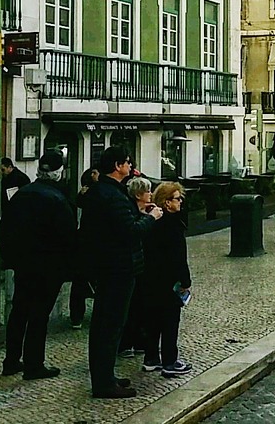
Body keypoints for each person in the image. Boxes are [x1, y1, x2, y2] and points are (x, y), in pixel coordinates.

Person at [83, 148, 162, 399]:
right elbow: (130, 233)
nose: (130, 166)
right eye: (128, 163)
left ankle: (106, 376)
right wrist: (151, 218)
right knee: (110, 326)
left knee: (106, 325)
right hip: (118, 268)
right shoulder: (113, 195)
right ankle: (104, 383)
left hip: (105, 266)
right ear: (118, 166)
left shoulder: (101, 191)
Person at [0, 149, 78, 380]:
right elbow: (68, 237)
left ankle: (11, 360)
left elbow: (5, 229)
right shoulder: (57, 200)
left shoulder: (22, 195)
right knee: (39, 315)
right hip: (48, 267)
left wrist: (11, 259)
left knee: (19, 311)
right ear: (59, 173)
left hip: (24, 265)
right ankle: (34, 364)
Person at [141, 181, 193, 378]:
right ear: (167, 202)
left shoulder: (151, 222)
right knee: (170, 321)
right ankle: (170, 361)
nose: (181, 202)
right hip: (168, 280)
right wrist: (185, 280)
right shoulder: (173, 225)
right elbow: (179, 257)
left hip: (150, 278)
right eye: (177, 199)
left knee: (152, 319)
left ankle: (151, 358)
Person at [120, 177, 156, 358]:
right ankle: (126, 342)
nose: (151, 194)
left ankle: (139, 339)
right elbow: (135, 232)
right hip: (133, 264)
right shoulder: (132, 212)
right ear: (139, 194)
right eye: (148, 191)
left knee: (141, 305)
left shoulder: (142, 210)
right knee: (132, 305)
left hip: (142, 264)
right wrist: (150, 218)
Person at [69, 167, 101, 329]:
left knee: (80, 282)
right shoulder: (94, 193)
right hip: (92, 242)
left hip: (84, 241)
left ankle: (77, 317)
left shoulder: (84, 194)